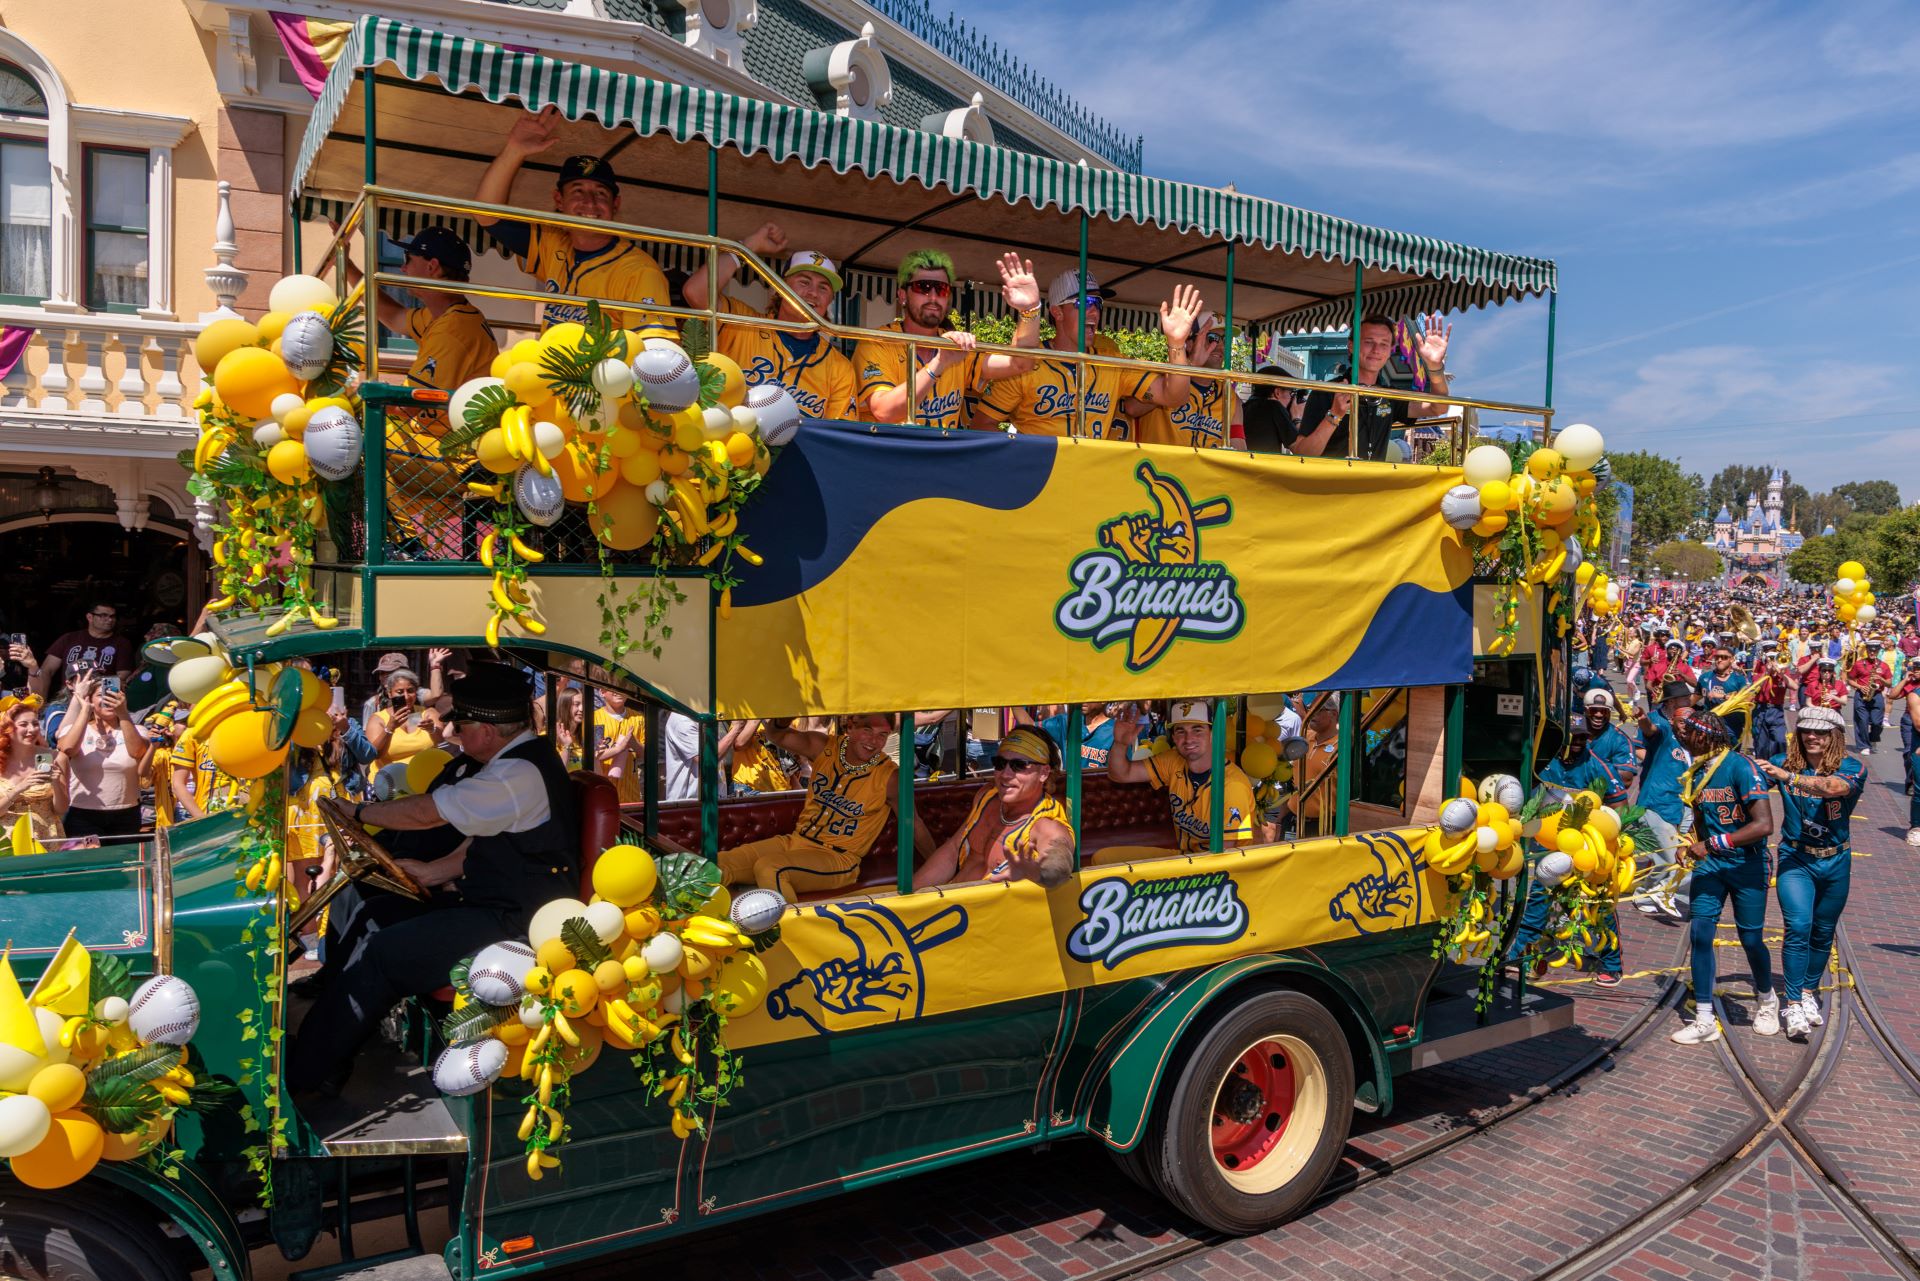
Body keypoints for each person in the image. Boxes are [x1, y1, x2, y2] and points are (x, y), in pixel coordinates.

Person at [288, 664, 580, 1096]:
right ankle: (335, 1033)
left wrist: (358, 813)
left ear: (487, 729)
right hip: (492, 900)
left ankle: (307, 1073)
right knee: (375, 907)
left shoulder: (516, 773)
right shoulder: (509, 763)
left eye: (460, 725)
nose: (454, 733)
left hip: (515, 920)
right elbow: (488, 838)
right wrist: (432, 871)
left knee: (384, 952)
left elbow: (430, 812)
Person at [473, 107, 674, 335]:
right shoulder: (553, 243)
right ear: (559, 200)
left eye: (601, 194)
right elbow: (486, 215)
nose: (589, 202)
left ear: (615, 204)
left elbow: (654, 353)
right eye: (577, 191)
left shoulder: (640, 271)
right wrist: (514, 151)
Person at [715, 714, 935, 898]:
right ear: (850, 726)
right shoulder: (825, 747)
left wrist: (942, 871)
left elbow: (913, 825)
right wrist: (790, 707)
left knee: (770, 868)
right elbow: (777, 735)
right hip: (796, 841)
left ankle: (795, 942)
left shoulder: (890, 777)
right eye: (867, 730)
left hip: (839, 859)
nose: (874, 741)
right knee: (719, 863)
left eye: (882, 735)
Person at [970, 272, 1203, 440]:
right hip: (1041, 486)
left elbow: (1174, 397)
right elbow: (982, 424)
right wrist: (1023, 458)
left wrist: (1177, 344)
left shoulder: (1111, 361)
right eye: (1085, 302)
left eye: (1098, 304)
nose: (1094, 311)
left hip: (1090, 486)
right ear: (1057, 312)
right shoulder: (1026, 362)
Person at [1670, 712, 1777, 1046]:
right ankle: (1704, 1017)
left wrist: (1712, 842)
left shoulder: (1742, 767)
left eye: (1688, 733)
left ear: (1705, 736)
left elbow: (1763, 825)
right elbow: (1700, 818)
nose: (1683, 737)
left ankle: (1767, 998)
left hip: (1747, 865)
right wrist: (1688, 841)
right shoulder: (1698, 770)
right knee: (1700, 934)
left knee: (1750, 938)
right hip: (1711, 867)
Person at [1756, 705, 1862, 1039]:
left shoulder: (1853, 766)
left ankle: (1807, 992)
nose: (1812, 737)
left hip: (1836, 860)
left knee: (1823, 931)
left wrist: (1786, 777)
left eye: (1820, 732)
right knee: (1799, 926)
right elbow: (1747, 787)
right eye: (1806, 730)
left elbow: (1832, 788)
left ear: (1835, 736)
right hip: (1796, 858)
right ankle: (1792, 1001)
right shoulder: (1783, 761)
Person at [679, 223, 858, 420]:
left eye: (823, 288)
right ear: (779, 289)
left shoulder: (840, 367)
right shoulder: (743, 323)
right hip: (732, 444)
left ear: (830, 300)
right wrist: (747, 247)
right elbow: (696, 292)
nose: (813, 293)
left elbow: (836, 435)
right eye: (804, 282)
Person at [855, 249, 1040, 430]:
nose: (933, 297)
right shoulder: (877, 342)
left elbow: (1020, 364)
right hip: (892, 456)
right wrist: (939, 363)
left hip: (943, 457)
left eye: (941, 289)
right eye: (923, 287)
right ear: (903, 295)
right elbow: (885, 412)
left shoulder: (954, 345)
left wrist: (1030, 311)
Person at [1505, 721, 1622, 983]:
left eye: (1583, 739)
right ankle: (1519, 954)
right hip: (1550, 847)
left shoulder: (1596, 765)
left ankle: (1611, 963)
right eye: (1574, 739)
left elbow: (1619, 802)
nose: (1578, 744)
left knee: (1597, 903)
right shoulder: (1544, 762)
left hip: (1588, 849)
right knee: (1539, 897)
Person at [911, 726, 1075, 888]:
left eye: (1018, 765)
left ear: (1044, 773)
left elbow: (1059, 865)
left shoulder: (1046, 825)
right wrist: (910, 896)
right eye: (1000, 763)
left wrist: (1036, 872)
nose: (1005, 774)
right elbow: (953, 850)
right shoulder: (987, 795)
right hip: (957, 907)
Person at [1099, 701, 1256, 862]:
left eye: (1197, 730)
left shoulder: (1232, 785)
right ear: (1173, 737)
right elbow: (1120, 774)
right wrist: (1120, 743)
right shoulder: (1174, 760)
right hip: (1186, 859)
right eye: (1181, 731)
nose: (1189, 739)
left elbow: (1222, 858)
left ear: (1211, 734)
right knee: (1103, 858)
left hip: (1224, 874)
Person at [344, 227, 497, 392]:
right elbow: (394, 316)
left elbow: (407, 406)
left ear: (432, 267)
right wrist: (347, 265)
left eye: (408, 259)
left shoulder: (451, 330)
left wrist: (350, 393)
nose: (403, 268)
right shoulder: (448, 315)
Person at [1289, 312, 1455, 461]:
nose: (1376, 350)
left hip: (1372, 489)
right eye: (1369, 342)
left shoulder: (1390, 395)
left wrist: (1434, 367)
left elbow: (1437, 408)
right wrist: (1334, 416)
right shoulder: (1326, 392)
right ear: (1352, 346)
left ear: (1390, 351)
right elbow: (1303, 454)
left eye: (1384, 344)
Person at [1630, 679, 1696, 920]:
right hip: (1657, 798)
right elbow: (1650, 731)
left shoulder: (1689, 725)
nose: (1690, 702)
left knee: (1680, 854)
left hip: (1683, 802)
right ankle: (1652, 894)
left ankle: (1652, 895)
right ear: (1671, 703)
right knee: (1668, 856)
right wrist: (1642, 718)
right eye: (1684, 700)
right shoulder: (1663, 724)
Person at [55, 670, 149, 839]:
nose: (108, 698)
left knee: (125, 864)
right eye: (100, 695)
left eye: (115, 693)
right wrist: (84, 709)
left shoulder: (137, 730)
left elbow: (137, 752)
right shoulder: (74, 730)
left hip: (126, 814)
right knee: (87, 864)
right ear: (90, 699)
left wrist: (123, 713)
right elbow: (67, 749)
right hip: (82, 815)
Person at [1126, 311, 1242, 449]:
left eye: (1225, 340)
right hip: (1156, 469)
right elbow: (1132, 408)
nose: (1221, 346)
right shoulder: (1161, 379)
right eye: (1212, 338)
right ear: (1189, 343)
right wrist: (1190, 366)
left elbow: (1240, 449)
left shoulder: (1231, 398)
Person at [36, 600, 135, 699]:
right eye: (103, 615)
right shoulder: (69, 638)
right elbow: (46, 670)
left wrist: (103, 704)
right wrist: (41, 702)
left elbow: (122, 678)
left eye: (112, 616)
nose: (109, 620)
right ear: (90, 617)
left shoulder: (122, 643)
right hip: (67, 700)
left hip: (97, 703)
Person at [0, 698, 65, 842]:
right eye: (24, 724)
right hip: (6, 842)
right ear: (8, 728)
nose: (32, 729)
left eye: (35, 724)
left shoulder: (54, 756)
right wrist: (19, 788)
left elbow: (61, 809)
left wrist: (56, 783)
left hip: (46, 838)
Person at [364, 668, 441, 780]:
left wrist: (432, 730)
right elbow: (374, 754)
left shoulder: (427, 713)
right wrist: (389, 728)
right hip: (389, 784)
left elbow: (443, 739)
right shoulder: (378, 719)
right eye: (399, 692)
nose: (406, 696)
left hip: (424, 781)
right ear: (390, 694)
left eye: (410, 691)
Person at [1013, 702, 1118, 772]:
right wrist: (1013, 700)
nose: (1082, 700)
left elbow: (1119, 772)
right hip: (1069, 794)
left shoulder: (1116, 731)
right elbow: (1030, 726)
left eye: (1088, 695)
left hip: (1097, 796)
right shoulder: (1066, 722)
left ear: (1103, 699)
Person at [1580, 689, 1638, 805]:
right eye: (1594, 710)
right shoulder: (1571, 732)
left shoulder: (1620, 740)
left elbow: (1625, 780)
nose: (1599, 715)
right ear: (1585, 711)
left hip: (1602, 804)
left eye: (1604, 711)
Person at [590, 688, 646, 805]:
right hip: (603, 789)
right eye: (612, 688)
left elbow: (648, 756)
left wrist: (634, 744)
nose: (619, 692)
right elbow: (593, 756)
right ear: (602, 692)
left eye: (621, 688)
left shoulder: (638, 718)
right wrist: (618, 748)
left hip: (630, 791)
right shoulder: (594, 718)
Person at [1241, 364, 1303, 454]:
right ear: (1277, 393)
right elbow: (1300, 449)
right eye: (1291, 393)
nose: (1291, 398)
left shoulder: (1244, 408)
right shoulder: (1274, 406)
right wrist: (1297, 418)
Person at [1696, 646, 1751, 744]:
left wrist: (1723, 696)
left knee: (1730, 757)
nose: (1719, 660)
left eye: (1724, 657)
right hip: (1710, 725)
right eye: (1717, 657)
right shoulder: (1705, 677)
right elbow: (1696, 696)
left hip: (1732, 728)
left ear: (1731, 659)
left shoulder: (1739, 679)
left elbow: (1747, 699)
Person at [1846, 639, 1891, 756]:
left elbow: (1889, 683)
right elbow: (1849, 679)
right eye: (1870, 650)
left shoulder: (1884, 666)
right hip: (1861, 695)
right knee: (1862, 721)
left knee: (1877, 722)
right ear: (1867, 650)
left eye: (1875, 650)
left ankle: (1873, 739)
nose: (1872, 652)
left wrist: (1881, 679)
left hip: (1877, 695)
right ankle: (1863, 745)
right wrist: (1860, 687)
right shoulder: (1859, 664)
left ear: (1878, 651)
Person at [1749, 645, 1790, 762]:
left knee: (1780, 740)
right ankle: (1762, 769)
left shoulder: (1782, 674)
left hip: (1776, 711)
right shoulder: (1760, 672)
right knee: (1761, 744)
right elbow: (1755, 687)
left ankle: (1779, 765)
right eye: (1770, 659)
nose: (1772, 663)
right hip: (1760, 710)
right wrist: (1767, 673)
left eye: (1774, 659)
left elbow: (1794, 686)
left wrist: (1781, 675)